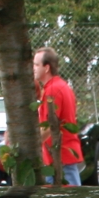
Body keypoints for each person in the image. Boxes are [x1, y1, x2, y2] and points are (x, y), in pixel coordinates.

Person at [33, 47, 83, 186]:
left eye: (36, 65)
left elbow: (50, 126)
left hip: (59, 157)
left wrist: (33, 145)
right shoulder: (61, 86)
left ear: (47, 68)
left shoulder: (52, 90)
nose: (33, 68)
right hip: (62, 155)